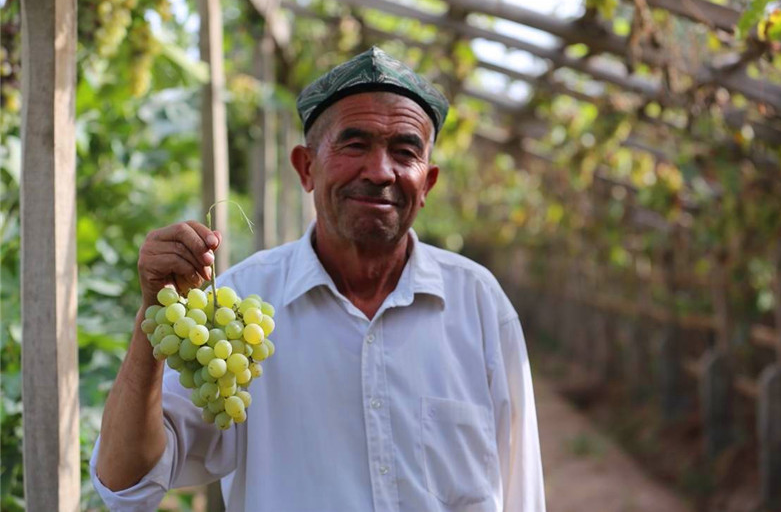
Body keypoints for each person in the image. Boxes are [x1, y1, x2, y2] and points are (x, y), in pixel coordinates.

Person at [91, 46, 546, 511]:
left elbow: (521, 491)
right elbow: (126, 484)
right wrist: (153, 315)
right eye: (354, 144)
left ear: (426, 183)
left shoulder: (478, 302)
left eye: (404, 151)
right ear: (306, 168)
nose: (380, 172)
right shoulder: (237, 305)